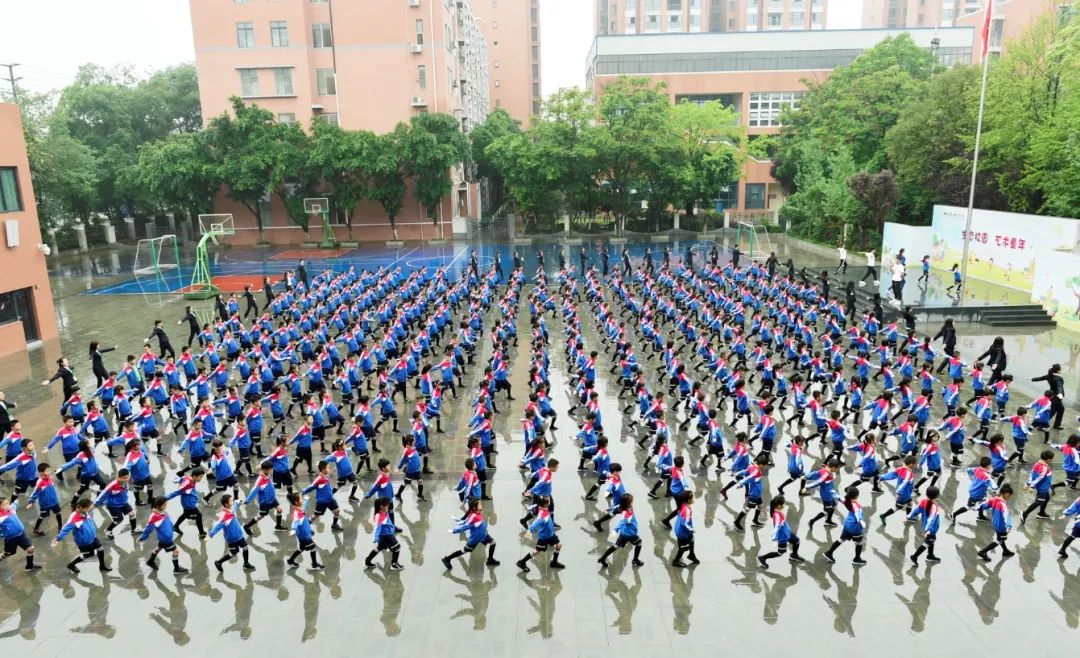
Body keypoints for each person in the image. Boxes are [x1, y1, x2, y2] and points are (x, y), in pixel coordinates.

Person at [52, 498, 112, 574]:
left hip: (92, 537)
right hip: (84, 541)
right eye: (87, 508)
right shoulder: (74, 518)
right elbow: (65, 529)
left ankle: (102, 566)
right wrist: (57, 538)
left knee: (100, 548)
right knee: (89, 554)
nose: (88, 510)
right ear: (80, 507)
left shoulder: (83, 512)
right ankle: (71, 565)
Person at [442, 497, 499, 571]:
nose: (481, 505)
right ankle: (447, 559)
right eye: (479, 505)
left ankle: (490, 560)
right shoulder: (473, 516)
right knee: (464, 550)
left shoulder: (477, 512)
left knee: (493, 542)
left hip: (483, 535)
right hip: (475, 539)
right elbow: (466, 525)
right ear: (475, 508)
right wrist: (455, 530)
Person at [137, 496, 189, 573]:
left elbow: (168, 521)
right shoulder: (154, 516)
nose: (166, 506)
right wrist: (142, 538)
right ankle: (176, 569)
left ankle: (150, 561)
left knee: (158, 548)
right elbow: (148, 528)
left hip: (165, 537)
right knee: (176, 551)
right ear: (158, 506)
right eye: (164, 505)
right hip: (166, 538)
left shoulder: (163, 512)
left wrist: (172, 528)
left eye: (166, 504)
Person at [205, 493, 256, 572]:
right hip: (231, 538)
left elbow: (235, 505)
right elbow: (218, 525)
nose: (233, 501)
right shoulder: (224, 516)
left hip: (239, 535)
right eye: (231, 501)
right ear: (226, 504)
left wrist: (239, 502)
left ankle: (246, 564)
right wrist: (210, 535)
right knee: (233, 554)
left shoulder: (231, 508)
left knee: (245, 547)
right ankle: (218, 562)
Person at [517, 496, 564, 572]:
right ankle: (522, 562)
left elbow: (535, 505)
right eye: (548, 500)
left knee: (558, 546)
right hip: (544, 537)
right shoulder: (542, 516)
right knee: (537, 551)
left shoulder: (543, 508)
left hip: (551, 535)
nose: (549, 499)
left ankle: (554, 562)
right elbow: (535, 523)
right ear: (545, 504)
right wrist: (529, 531)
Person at [822, 487, 867, 565]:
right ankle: (857, 559)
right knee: (859, 542)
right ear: (856, 496)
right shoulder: (855, 505)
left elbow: (840, 498)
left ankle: (829, 553)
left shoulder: (847, 501)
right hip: (855, 527)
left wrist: (834, 493)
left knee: (841, 539)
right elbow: (857, 513)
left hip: (847, 525)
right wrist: (861, 521)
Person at [597, 494, 644, 568]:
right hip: (630, 533)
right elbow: (622, 522)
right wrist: (616, 529)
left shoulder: (623, 507)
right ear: (628, 503)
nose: (632, 501)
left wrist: (609, 509)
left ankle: (602, 558)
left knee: (616, 545)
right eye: (631, 501)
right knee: (639, 543)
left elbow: (616, 508)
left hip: (624, 532)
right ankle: (635, 560)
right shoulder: (626, 513)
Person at [758, 494, 804, 569]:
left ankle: (794, 555)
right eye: (783, 504)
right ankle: (762, 558)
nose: (784, 505)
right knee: (780, 553)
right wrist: (774, 537)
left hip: (787, 532)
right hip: (782, 536)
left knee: (797, 541)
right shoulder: (777, 515)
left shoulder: (777, 510)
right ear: (779, 506)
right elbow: (776, 527)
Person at [976, 484, 1015, 561]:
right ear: (1006, 493)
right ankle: (982, 552)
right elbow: (1006, 515)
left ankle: (1005, 551)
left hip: (995, 523)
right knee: (1000, 540)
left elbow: (984, 505)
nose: (1009, 497)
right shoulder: (1003, 504)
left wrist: (976, 507)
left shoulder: (993, 499)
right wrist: (1008, 526)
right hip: (1001, 525)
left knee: (1000, 537)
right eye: (1009, 495)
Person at [907, 486, 942, 566]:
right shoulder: (934, 506)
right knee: (928, 542)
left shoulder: (924, 501)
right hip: (931, 528)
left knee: (931, 541)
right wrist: (928, 530)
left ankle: (930, 556)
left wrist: (908, 517)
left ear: (926, 494)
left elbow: (916, 510)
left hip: (926, 526)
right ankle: (914, 557)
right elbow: (932, 519)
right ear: (937, 495)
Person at [1032, 364, 1066, 429]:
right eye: (1060, 369)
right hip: (1056, 397)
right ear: (1058, 371)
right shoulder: (1058, 378)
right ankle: (1041, 426)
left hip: (1052, 395)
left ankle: (1057, 425)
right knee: (1051, 412)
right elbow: (1059, 386)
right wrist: (1060, 393)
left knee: (1061, 409)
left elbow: (1040, 378)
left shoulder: (1049, 375)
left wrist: (1032, 379)